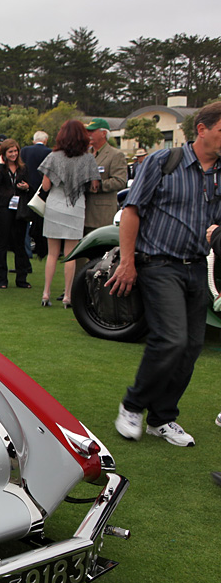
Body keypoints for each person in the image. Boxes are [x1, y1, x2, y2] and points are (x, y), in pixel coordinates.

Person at [108, 102, 221, 448]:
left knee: (191, 347)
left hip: (197, 266)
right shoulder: (162, 162)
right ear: (202, 130)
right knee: (170, 339)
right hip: (158, 263)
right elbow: (131, 212)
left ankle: (162, 418)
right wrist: (128, 262)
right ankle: (132, 405)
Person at [38, 120, 100, 308]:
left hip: (55, 204)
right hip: (76, 205)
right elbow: (95, 186)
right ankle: (67, 295)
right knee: (70, 255)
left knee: (52, 253)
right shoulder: (88, 158)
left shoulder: (54, 156)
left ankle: (46, 293)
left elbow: (46, 185)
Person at [0, 139, 33, 289]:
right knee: (2, 243)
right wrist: (2, 165)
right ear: (4, 153)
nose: (14, 154)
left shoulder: (23, 168)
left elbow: (29, 185)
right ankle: (1, 279)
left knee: (19, 243)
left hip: (19, 207)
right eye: (10, 152)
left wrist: (26, 187)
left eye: (15, 151)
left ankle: (22, 278)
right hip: (4, 208)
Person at [84, 118, 129, 233]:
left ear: (104, 133)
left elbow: (120, 181)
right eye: (88, 131)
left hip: (102, 214)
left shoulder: (115, 155)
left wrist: (98, 185)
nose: (88, 134)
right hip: (84, 211)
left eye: (92, 131)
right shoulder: (85, 154)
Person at [21, 131, 52, 260]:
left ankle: (26, 250)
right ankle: (43, 249)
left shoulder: (24, 151)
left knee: (26, 221)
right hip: (43, 190)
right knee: (42, 221)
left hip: (27, 188)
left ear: (34, 140)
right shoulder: (49, 152)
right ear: (45, 141)